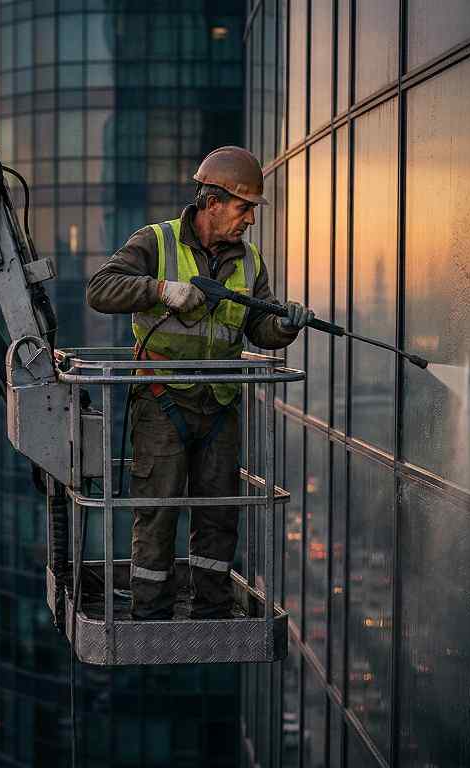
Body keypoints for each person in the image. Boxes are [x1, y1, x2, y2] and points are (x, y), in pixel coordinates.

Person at [87, 146, 311, 620]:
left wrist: (286, 325)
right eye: (244, 207)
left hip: (219, 405)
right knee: (159, 510)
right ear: (213, 203)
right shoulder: (156, 242)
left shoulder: (248, 262)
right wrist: (159, 289)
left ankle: (211, 606)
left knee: (218, 513)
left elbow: (258, 329)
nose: (250, 219)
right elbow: (100, 289)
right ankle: (150, 611)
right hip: (162, 401)